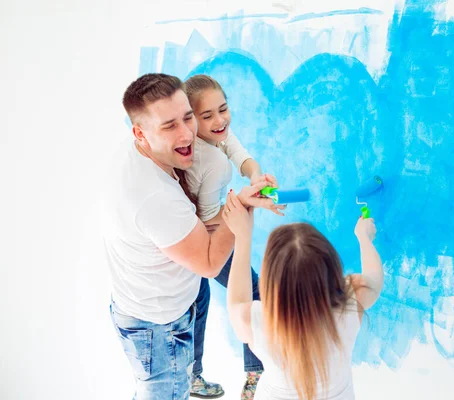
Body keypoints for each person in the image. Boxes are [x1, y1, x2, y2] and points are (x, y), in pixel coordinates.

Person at [102, 73, 274, 400]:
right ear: (140, 132)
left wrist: (251, 173)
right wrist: (242, 206)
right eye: (170, 126)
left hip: (151, 302)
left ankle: (194, 375)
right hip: (158, 328)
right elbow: (209, 260)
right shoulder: (157, 198)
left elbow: (228, 141)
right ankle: (246, 377)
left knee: (202, 293)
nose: (186, 134)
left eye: (188, 117)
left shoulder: (141, 148)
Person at [221, 191, 384, 400]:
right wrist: (364, 238)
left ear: (271, 282)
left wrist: (242, 237)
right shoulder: (351, 301)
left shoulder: (257, 321)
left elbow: (238, 302)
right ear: (333, 268)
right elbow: (374, 279)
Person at [180, 74, 284, 400]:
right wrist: (244, 207)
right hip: (197, 240)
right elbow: (210, 223)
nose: (219, 120)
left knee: (198, 302)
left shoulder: (214, 136)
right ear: (190, 120)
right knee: (252, 291)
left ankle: (193, 376)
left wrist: (257, 177)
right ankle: (255, 376)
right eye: (207, 115)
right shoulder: (206, 160)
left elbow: (237, 151)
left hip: (190, 237)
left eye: (222, 109)